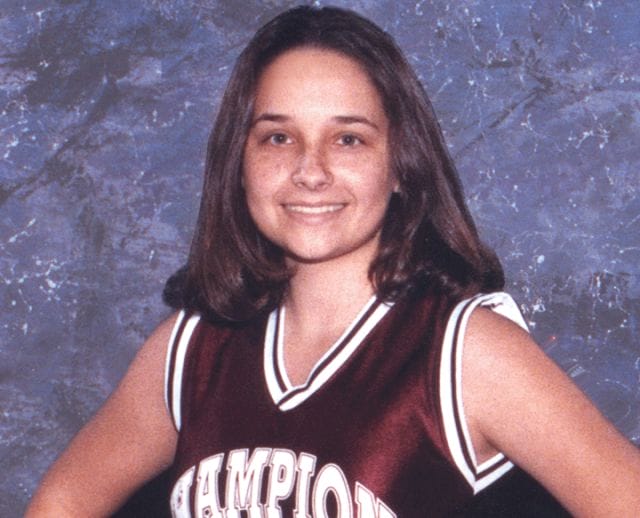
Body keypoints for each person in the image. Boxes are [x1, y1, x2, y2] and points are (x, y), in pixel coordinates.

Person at [26, 6, 640, 517]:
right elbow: (64, 501)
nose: (310, 170)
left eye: (348, 138)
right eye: (277, 137)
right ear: (238, 163)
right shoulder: (189, 348)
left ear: (400, 162)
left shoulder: (466, 352)